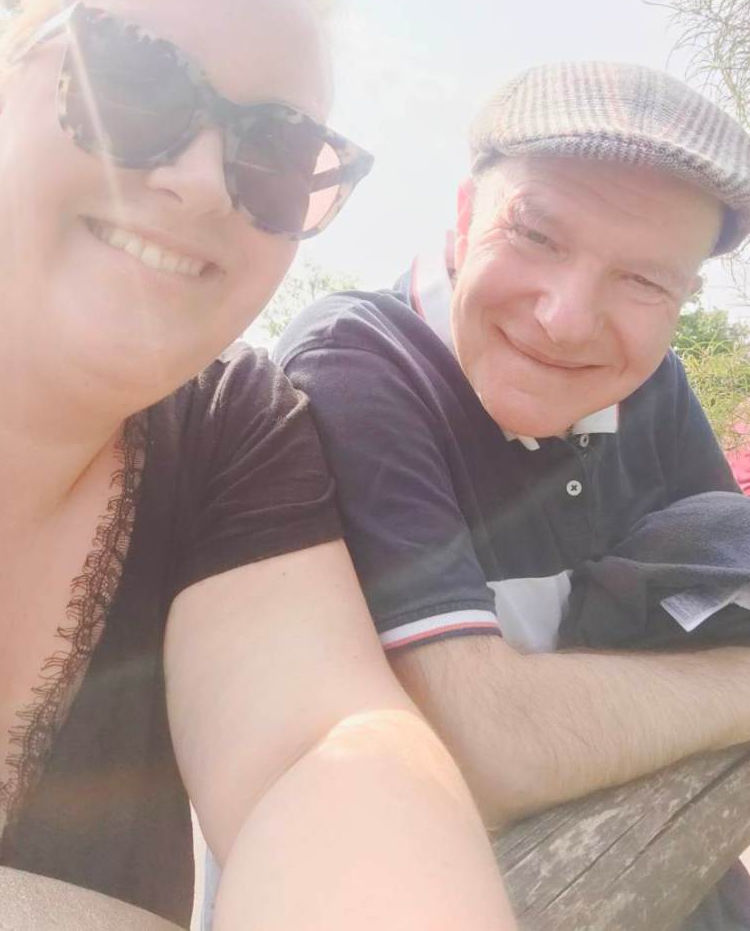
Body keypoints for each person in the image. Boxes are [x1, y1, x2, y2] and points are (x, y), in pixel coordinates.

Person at [0, 0, 519, 929]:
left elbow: (317, 751)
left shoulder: (234, 425)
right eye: (131, 81)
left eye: (275, 152)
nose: (197, 183)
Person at [276, 61, 750, 928]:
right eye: (535, 235)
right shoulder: (356, 364)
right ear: (463, 220)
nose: (565, 318)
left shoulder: (651, 386)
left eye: (644, 280)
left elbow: (733, 597)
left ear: (682, 298)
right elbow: (484, 748)